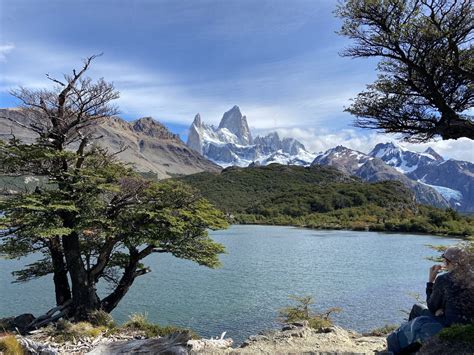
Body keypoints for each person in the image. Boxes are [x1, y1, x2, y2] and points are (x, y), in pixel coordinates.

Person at [387, 246, 469, 354]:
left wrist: (431, 281)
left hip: (448, 326)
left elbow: (432, 306)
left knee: (417, 308)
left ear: (448, 262)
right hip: (467, 328)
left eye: (444, 260)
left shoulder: (444, 279)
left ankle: (408, 344)